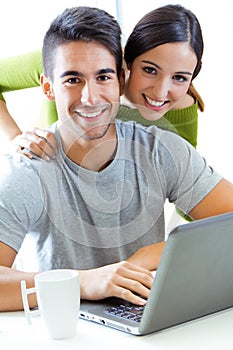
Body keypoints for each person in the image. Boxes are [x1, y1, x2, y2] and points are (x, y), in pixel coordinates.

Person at [1, 5, 233, 313]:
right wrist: (82, 282)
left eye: (103, 77)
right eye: (72, 80)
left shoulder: (162, 149)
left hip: (146, 321)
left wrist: (157, 253)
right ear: (48, 87)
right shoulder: (27, 169)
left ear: (120, 79)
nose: (90, 97)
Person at [0, 4, 204, 160]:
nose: (160, 92)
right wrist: (14, 138)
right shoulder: (71, 59)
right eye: (149, 70)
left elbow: (190, 198)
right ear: (128, 63)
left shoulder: (180, 109)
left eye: (179, 78)